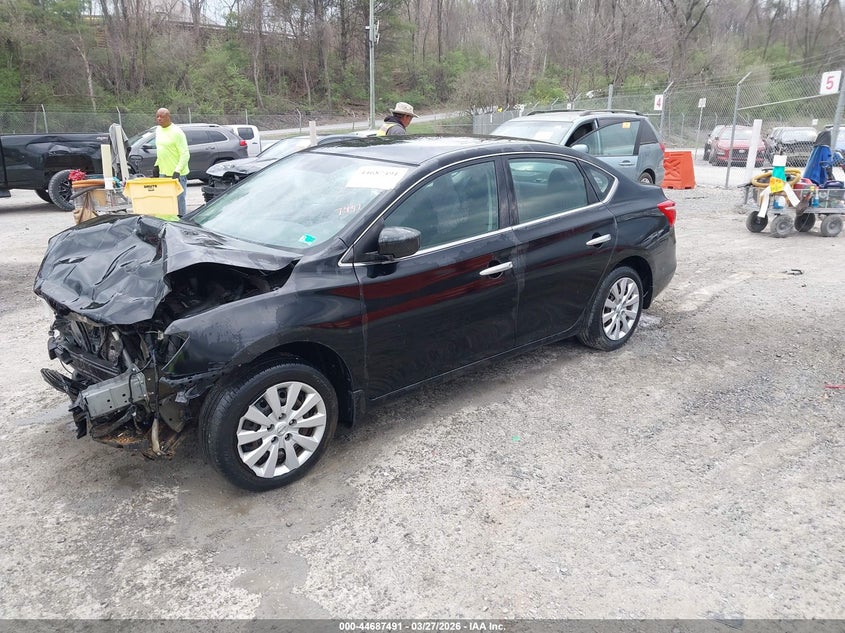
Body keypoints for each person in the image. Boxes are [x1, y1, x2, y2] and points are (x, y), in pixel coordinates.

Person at [152, 108, 190, 216]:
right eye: (157, 116)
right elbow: (162, 150)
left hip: (177, 174)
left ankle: (181, 221)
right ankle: (167, 222)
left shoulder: (177, 132)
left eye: (162, 117)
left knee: (178, 201)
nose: (159, 119)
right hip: (163, 173)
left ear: (168, 117)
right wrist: (156, 165)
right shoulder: (158, 130)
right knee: (164, 201)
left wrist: (177, 170)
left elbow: (185, 154)